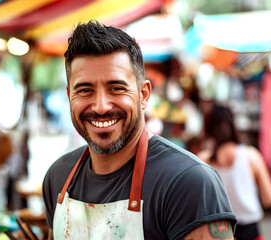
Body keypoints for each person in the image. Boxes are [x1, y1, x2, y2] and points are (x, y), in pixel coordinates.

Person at [42, 20, 237, 240]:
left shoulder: (189, 183)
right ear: (69, 97)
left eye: (116, 88)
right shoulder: (57, 177)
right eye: (85, 90)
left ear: (143, 95)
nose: (101, 106)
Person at [199, 104, 271, 240]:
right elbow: (268, 198)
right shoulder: (251, 155)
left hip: (219, 231)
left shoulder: (202, 160)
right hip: (251, 230)